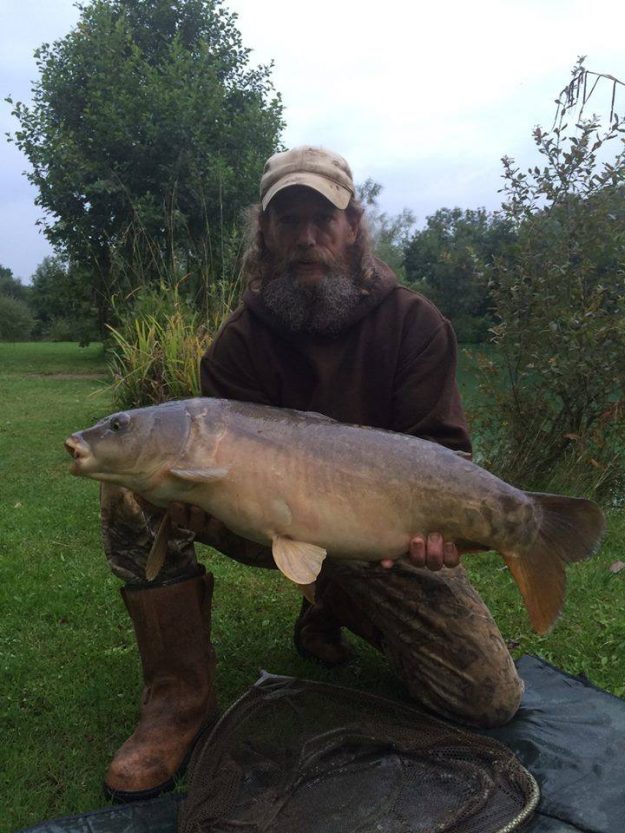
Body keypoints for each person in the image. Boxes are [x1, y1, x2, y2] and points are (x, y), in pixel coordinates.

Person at [99, 146, 523, 802]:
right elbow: (201, 475)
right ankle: (177, 700)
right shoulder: (239, 343)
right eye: (287, 220)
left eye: (321, 218)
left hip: (380, 536)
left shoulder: (414, 325)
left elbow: (444, 455)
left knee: (488, 699)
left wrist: (443, 535)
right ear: (263, 233)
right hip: (258, 518)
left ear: (353, 225)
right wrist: (183, 497)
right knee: (128, 491)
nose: (305, 237)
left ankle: (335, 602)